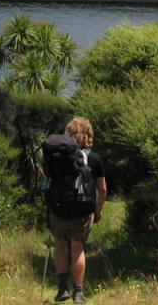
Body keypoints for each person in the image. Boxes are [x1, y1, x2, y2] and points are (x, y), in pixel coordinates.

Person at [50, 117, 107, 303]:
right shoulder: (94, 158)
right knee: (77, 248)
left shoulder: (57, 157)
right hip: (82, 209)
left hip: (59, 207)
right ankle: (78, 292)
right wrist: (98, 211)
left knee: (60, 245)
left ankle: (62, 289)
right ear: (88, 134)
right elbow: (102, 189)